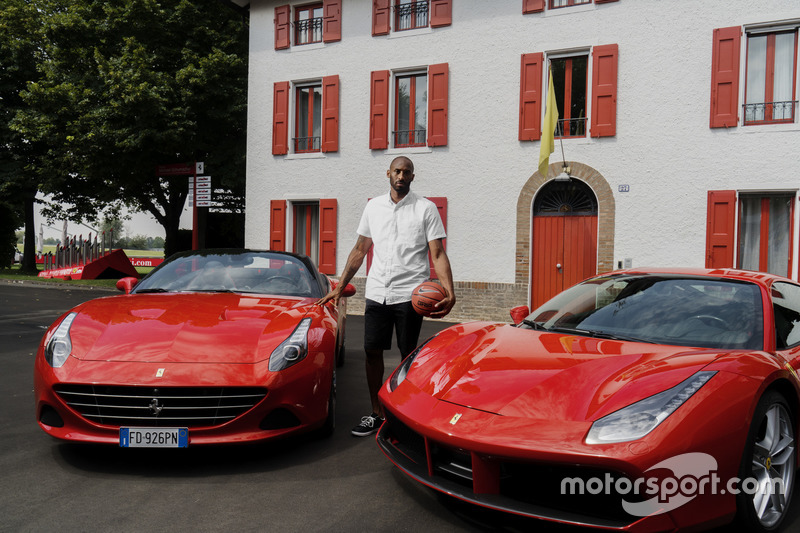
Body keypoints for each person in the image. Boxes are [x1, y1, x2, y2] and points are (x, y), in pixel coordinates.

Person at [316, 156, 455, 436]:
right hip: (378, 291)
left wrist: (449, 290)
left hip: (410, 294)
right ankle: (376, 413)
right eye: (397, 171)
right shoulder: (373, 207)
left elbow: (437, 252)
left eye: (407, 172)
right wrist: (341, 285)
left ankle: (404, 413)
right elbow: (360, 248)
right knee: (372, 352)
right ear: (388, 173)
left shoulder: (425, 209)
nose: (401, 176)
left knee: (408, 355)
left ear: (413, 177)